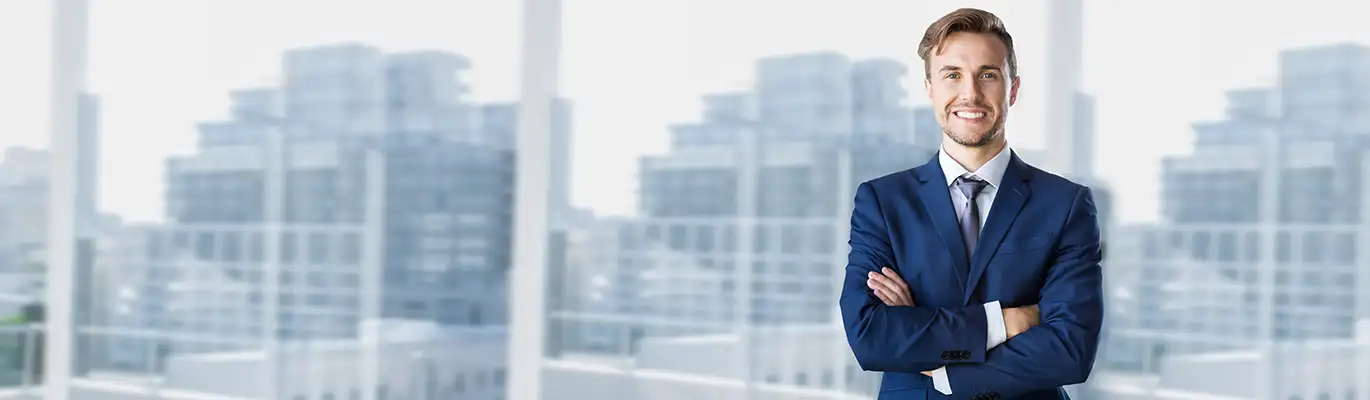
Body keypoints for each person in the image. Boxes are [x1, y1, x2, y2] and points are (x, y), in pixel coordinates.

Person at [838, 7, 1104, 400]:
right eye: (952, 75)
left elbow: (1070, 349)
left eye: (988, 75)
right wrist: (1002, 322)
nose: (970, 93)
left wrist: (939, 362)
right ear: (930, 88)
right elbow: (870, 335)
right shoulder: (883, 201)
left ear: (1012, 89)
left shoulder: (1065, 205)